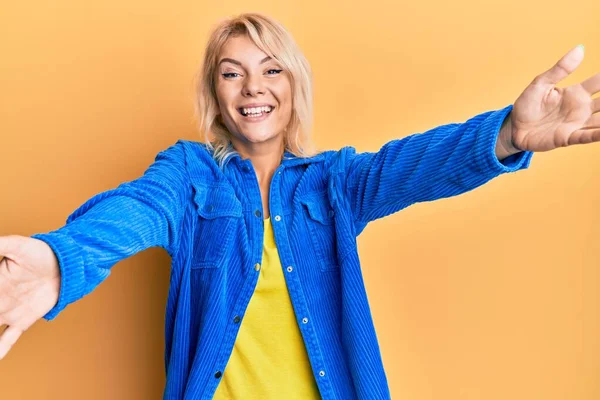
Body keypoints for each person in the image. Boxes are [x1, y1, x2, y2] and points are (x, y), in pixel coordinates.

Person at [0, 12, 598, 400]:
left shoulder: (334, 183)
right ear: (216, 93)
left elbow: (417, 165)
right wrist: (60, 257)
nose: (253, 87)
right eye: (232, 73)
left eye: (270, 70)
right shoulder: (189, 174)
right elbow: (136, 211)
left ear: (293, 87)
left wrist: (507, 136)